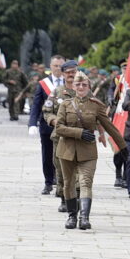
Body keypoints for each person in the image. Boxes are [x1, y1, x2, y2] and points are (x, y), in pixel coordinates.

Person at [55, 72, 128, 230]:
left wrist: (123, 147)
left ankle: (84, 218)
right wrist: (79, 133)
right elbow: (59, 128)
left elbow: (110, 127)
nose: (81, 87)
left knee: (86, 182)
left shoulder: (96, 105)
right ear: (73, 86)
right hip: (66, 150)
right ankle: (72, 216)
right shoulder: (65, 104)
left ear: (89, 87)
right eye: (78, 85)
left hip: (87, 152)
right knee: (68, 184)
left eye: (84, 85)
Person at [42, 60, 79, 212]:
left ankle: (76, 199)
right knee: (62, 170)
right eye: (68, 72)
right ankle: (64, 199)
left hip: (79, 137)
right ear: (63, 74)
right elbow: (47, 111)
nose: (71, 75)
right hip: (61, 137)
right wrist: (54, 121)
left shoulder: (83, 90)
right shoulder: (56, 92)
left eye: (74, 72)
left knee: (78, 171)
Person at [29, 55, 65, 195]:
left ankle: (62, 182)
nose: (57, 68)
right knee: (48, 154)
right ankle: (48, 182)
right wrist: (32, 124)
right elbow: (36, 105)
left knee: (62, 154)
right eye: (55, 66)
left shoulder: (69, 83)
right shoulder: (43, 83)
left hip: (65, 126)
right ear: (50, 67)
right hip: (47, 125)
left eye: (60, 66)